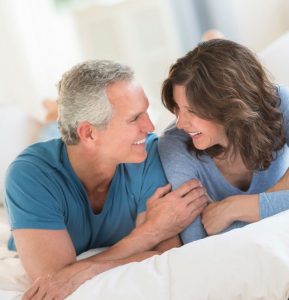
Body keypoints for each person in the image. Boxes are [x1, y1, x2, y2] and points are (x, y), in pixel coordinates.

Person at [4, 60, 209, 299]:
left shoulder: (148, 153)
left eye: (147, 112)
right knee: (53, 133)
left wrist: (88, 269)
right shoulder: (30, 176)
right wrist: (150, 231)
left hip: (82, 138)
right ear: (89, 133)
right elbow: (55, 280)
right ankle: (52, 115)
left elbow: (163, 254)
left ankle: (54, 115)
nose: (151, 127)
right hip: (68, 146)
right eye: (134, 119)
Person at [158, 39, 289, 244]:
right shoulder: (174, 148)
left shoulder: (277, 102)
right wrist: (276, 200)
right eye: (177, 109)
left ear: (228, 106)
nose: (181, 123)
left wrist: (235, 208)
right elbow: (198, 241)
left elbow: (216, 226)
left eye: (192, 111)